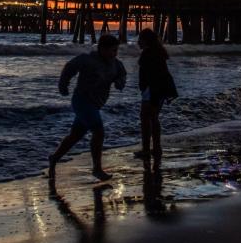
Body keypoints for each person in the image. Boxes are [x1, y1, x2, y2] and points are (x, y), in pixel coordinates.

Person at [48, 35, 126, 181]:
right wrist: (63, 85)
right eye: (112, 50)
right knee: (99, 131)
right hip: (81, 101)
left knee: (75, 136)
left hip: (95, 104)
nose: (114, 54)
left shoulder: (116, 64)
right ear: (102, 48)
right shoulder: (87, 59)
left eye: (116, 50)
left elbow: (122, 75)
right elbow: (69, 68)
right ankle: (97, 169)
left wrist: (120, 82)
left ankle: (54, 158)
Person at [135, 28, 178, 164]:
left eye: (140, 39)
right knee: (154, 118)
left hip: (152, 90)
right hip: (161, 89)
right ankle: (156, 148)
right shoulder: (158, 52)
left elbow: (151, 76)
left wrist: (149, 92)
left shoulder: (148, 53)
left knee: (145, 118)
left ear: (146, 41)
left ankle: (147, 149)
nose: (137, 42)